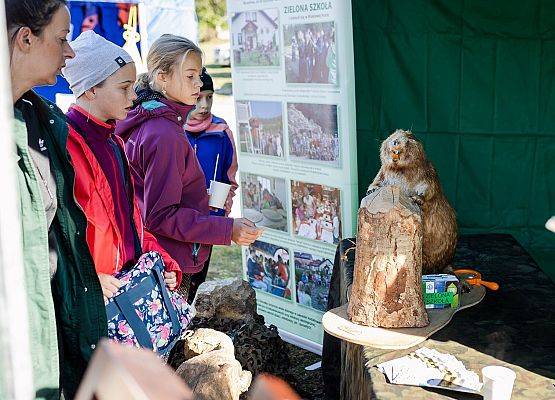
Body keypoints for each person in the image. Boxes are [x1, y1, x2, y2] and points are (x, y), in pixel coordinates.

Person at [6, 1, 106, 397]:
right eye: (63, 38)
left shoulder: (41, 119)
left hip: (52, 336)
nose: (70, 52)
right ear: (25, 39)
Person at [115, 34, 261, 302]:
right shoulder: (164, 134)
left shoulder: (150, 120)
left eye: (200, 75)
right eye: (190, 76)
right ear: (162, 77)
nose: (198, 84)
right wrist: (228, 229)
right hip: (170, 260)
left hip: (157, 253)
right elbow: (161, 215)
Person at [62, 31, 182, 301]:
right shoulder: (64, 147)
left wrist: (162, 260)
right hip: (94, 297)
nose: (133, 95)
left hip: (126, 288)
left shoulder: (115, 143)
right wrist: (88, 277)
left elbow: (130, 224)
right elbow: (55, 236)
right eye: (124, 87)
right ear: (91, 88)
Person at [185, 68, 237, 218]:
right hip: (182, 217)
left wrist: (223, 210)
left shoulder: (221, 131)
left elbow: (230, 177)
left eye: (209, 97)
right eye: (198, 98)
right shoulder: (174, 129)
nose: (205, 105)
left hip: (212, 217)